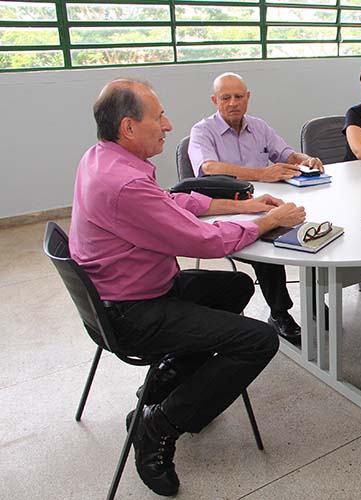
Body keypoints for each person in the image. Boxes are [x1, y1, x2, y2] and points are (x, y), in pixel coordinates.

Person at [69, 78, 306, 496]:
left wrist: (243, 205)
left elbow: (170, 202)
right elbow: (202, 242)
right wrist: (266, 222)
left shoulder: (103, 159)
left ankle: (161, 386)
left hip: (128, 290)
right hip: (131, 311)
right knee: (258, 340)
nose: (166, 124)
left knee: (234, 289)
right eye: (158, 116)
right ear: (128, 127)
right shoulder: (123, 184)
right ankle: (157, 427)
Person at [189, 72, 321, 343]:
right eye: (226, 98)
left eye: (239, 96)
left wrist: (307, 159)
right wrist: (261, 174)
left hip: (267, 201)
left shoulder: (259, 127)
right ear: (215, 100)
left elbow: (285, 154)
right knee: (267, 237)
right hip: (228, 208)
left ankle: (316, 300)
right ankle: (279, 312)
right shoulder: (202, 131)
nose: (233, 102)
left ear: (248, 98)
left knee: (313, 224)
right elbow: (209, 168)